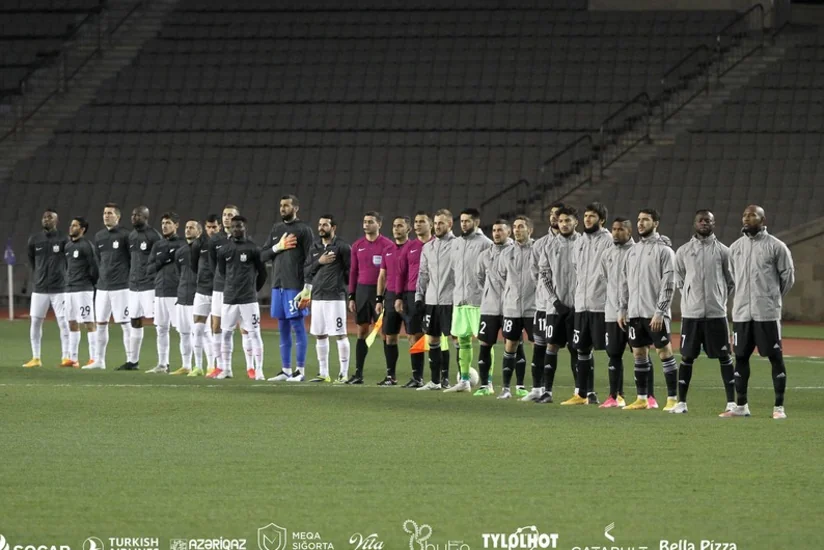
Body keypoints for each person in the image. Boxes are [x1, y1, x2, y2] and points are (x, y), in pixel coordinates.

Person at [722, 205, 795, 419]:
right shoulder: (735, 248)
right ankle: (741, 406)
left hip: (767, 314)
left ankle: (778, 407)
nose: (747, 218)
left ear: (763, 220)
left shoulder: (776, 246)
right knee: (741, 357)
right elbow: (733, 276)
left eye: (752, 215)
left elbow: (787, 277)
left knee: (775, 357)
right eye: (744, 215)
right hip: (742, 314)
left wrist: (771, 297)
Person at [671, 210, 736, 414]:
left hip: (716, 314)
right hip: (691, 315)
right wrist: (691, 297)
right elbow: (679, 279)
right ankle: (681, 403)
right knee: (687, 357)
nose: (704, 223)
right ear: (695, 223)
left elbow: (730, 281)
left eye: (707, 220)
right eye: (700, 220)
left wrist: (719, 297)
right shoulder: (683, 251)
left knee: (725, 358)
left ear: (713, 223)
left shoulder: (724, 251)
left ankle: (731, 403)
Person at [618, 209, 677, 411]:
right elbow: (625, 283)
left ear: (656, 223)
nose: (641, 223)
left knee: (664, 352)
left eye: (645, 220)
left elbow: (669, 284)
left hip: (655, 314)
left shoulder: (665, 251)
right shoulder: (632, 252)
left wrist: (660, 311)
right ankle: (642, 398)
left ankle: (672, 399)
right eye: (639, 220)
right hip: (635, 313)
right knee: (639, 354)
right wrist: (622, 309)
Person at [262, 196, 314, 382]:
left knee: (298, 326)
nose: (283, 208)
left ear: (296, 208)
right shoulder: (277, 229)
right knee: (282, 327)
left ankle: (300, 371)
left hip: (295, 286)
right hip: (278, 285)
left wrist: (307, 287)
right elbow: (263, 255)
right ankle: (285, 370)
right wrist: (278, 247)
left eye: (286, 205)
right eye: (281, 205)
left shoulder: (304, 230)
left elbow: (311, 259)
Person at [565, 202, 612, 406]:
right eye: (586, 216)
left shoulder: (609, 241)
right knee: (582, 350)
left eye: (592, 216)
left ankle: (615, 395)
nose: (587, 220)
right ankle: (584, 394)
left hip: (600, 305)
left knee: (613, 351)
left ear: (601, 220)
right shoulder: (580, 242)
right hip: (581, 305)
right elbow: (577, 269)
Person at [444, 208, 492, 393]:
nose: (463, 224)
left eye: (467, 221)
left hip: (478, 301)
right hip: (459, 301)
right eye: (462, 221)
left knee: (484, 342)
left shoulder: (486, 244)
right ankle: (464, 381)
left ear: (476, 223)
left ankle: (487, 383)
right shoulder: (456, 243)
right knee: (462, 340)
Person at [536, 206, 580, 404]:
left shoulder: (583, 244)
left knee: (578, 348)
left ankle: (581, 392)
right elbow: (544, 276)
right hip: (555, 308)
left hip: (578, 307)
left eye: (567, 221)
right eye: (561, 221)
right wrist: (555, 301)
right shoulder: (549, 246)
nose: (563, 224)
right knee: (551, 345)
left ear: (575, 223)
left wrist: (578, 303)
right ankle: (547, 391)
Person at [345, 211, 393, 384]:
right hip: (362, 292)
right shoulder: (357, 245)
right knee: (361, 331)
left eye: (370, 222)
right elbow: (353, 272)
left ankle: (390, 375)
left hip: (380, 292)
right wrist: (351, 296)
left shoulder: (388, 245)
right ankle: (358, 374)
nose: (366, 225)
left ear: (379, 224)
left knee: (385, 333)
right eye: (364, 221)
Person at [301, 215, 352, 383]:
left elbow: (350, 271)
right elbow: (307, 271)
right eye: (320, 224)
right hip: (318, 297)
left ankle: (343, 374)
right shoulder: (314, 247)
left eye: (325, 225)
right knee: (320, 335)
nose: (321, 227)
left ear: (333, 227)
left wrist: (344, 289)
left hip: (335, 298)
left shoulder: (343, 247)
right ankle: (324, 373)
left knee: (340, 334)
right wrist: (320, 261)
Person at [522, 202, 564, 401]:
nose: (554, 217)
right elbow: (535, 275)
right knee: (539, 346)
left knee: (575, 348)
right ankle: (538, 389)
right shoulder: (540, 244)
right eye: (552, 214)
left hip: (567, 305)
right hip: (543, 306)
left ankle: (582, 392)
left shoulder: (577, 241)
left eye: (558, 214)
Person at [217, 216, 267, 380]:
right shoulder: (224, 250)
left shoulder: (254, 249)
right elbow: (223, 272)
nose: (236, 229)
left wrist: (253, 290)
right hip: (230, 299)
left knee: (254, 333)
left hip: (248, 300)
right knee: (225, 334)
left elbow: (263, 273)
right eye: (233, 227)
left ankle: (259, 370)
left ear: (245, 227)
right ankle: (226, 369)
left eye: (239, 226)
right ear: (230, 228)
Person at [496, 216, 537, 399]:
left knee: (538, 346)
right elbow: (501, 278)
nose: (517, 230)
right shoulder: (506, 253)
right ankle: (506, 389)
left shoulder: (538, 250)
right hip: (512, 308)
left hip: (533, 307)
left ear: (530, 230)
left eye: (521, 227)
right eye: (515, 227)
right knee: (510, 344)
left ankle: (539, 387)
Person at [415, 209, 456, 390]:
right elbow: (423, 275)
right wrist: (419, 297)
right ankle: (435, 381)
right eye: (436, 223)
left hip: (451, 300)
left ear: (450, 224)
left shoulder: (458, 245)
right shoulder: (428, 247)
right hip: (432, 300)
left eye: (441, 223)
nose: (438, 226)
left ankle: (458, 379)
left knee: (455, 339)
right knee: (432, 339)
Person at [23, 208, 69, 368]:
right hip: (40, 288)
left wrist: (63, 277)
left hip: (60, 289)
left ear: (56, 220)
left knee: (63, 323)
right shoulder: (34, 239)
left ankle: (66, 357)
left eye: (50, 217)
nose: (46, 219)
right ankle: (36, 358)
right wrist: (40, 276)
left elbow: (69, 262)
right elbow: (32, 262)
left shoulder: (64, 239)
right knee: (35, 322)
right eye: (44, 217)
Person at [473, 219, 513, 396]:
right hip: (489, 308)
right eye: (495, 230)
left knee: (513, 345)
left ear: (508, 232)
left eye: (500, 230)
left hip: (511, 308)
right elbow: (480, 278)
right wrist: (490, 294)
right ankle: (485, 385)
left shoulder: (514, 252)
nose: (496, 233)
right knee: (484, 345)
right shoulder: (485, 255)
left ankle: (516, 386)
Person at [90, 203, 131, 370]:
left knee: (125, 323)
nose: (106, 216)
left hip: (121, 287)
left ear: (118, 217)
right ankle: (99, 361)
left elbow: (131, 260)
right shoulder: (99, 236)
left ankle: (131, 359)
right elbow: (99, 260)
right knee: (100, 323)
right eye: (104, 213)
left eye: (110, 213)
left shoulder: (126, 236)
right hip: (102, 287)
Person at [598, 218, 634, 408]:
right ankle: (615, 396)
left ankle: (647, 396)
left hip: (634, 312)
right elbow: (606, 280)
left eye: (621, 229)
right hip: (612, 312)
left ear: (629, 232)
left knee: (640, 353)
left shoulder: (637, 252)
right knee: (613, 353)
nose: (616, 232)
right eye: (614, 229)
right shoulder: (607, 254)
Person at [394, 211, 434, 387]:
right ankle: (417, 377)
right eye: (416, 222)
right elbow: (400, 274)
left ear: (430, 225)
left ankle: (439, 378)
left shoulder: (437, 245)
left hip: (434, 295)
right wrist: (398, 297)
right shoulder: (410, 247)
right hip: (411, 295)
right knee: (414, 336)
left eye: (422, 222)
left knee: (436, 336)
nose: (417, 225)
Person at [123, 206, 162, 371]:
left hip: (149, 286)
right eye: (132, 214)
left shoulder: (154, 236)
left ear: (146, 216)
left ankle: (163, 362)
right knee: (135, 320)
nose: (133, 217)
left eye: (137, 215)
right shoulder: (131, 236)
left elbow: (160, 259)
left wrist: (152, 277)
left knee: (160, 323)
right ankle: (133, 361)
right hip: (134, 287)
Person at [375, 216, 412, 386]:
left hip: (409, 295)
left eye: (400, 226)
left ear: (408, 228)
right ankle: (391, 376)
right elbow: (382, 275)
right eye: (395, 226)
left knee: (413, 336)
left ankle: (416, 376)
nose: (396, 229)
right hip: (390, 296)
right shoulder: (387, 250)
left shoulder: (413, 248)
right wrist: (379, 299)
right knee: (389, 336)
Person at [145, 213, 183, 374]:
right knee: (161, 329)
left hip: (176, 292)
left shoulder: (183, 244)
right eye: (163, 223)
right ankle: (162, 364)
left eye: (168, 223)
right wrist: (163, 260)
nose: (165, 226)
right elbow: (149, 269)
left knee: (182, 329)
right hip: (160, 291)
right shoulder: (158, 245)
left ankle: (187, 364)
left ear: (176, 225)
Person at [207, 205, 239, 378]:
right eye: (225, 215)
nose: (227, 218)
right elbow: (213, 266)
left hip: (238, 290)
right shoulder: (215, 240)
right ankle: (220, 366)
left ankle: (252, 368)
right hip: (219, 288)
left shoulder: (240, 238)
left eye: (230, 215)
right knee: (216, 326)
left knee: (242, 329)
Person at [64, 217, 98, 368]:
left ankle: (93, 358)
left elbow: (95, 267)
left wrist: (90, 282)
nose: (71, 227)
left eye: (75, 225)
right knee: (72, 322)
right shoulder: (68, 246)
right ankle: (73, 359)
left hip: (83, 289)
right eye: (71, 225)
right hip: (69, 289)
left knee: (89, 322)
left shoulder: (87, 246)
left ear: (82, 229)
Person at [190, 214, 220, 377]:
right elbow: (194, 265)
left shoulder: (223, 242)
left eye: (214, 227)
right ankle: (198, 366)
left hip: (218, 291)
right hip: (201, 291)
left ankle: (213, 366)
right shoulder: (198, 244)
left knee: (217, 329)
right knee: (198, 328)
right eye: (208, 227)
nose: (211, 230)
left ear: (219, 227)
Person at [171, 220, 202, 376]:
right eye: (187, 227)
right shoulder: (180, 252)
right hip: (182, 297)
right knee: (183, 333)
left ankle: (201, 365)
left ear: (199, 231)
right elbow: (179, 273)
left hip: (197, 297)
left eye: (192, 228)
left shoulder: (203, 250)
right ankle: (186, 365)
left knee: (200, 333)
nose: (188, 230)